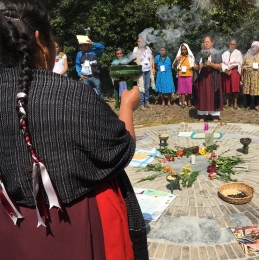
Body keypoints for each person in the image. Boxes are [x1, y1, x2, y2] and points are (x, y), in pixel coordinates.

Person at [0, 1, 148, 259]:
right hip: (74, 226)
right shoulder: (70, 96)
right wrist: (127, 106)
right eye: (53, 38)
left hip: (11, 231)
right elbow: (121, 150)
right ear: (40, 40)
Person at [194, 35, 223, 122]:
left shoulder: (216, 53)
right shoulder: (200, 53)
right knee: (203, 95)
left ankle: (214, 115)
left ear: (212, 43)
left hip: (213, 77)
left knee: (213, 94)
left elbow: (220, 66)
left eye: (208, 42)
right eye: (205, 42)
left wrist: (211, 64)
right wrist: (199, 66)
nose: (206, 44)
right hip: (203, 77)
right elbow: (194, 66)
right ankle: (203, 114)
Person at [241, 41, 259, 111]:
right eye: (253, 47)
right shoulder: (246, 56)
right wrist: (242, 76)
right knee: (247, 91)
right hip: (248, 76)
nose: (254, 49)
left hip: (258, 77)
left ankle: (256, 105)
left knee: (257, 91)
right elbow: (242, 66)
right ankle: (248, 105)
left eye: (255, 47)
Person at [133, 37, 154, 111]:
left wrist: (153, 68)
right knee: (141, 87)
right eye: (138, 41)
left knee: (147, 87)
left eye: (141, 42)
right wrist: (134, 60)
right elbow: (133, 58)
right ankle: (141, 103)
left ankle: (147, 102)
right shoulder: (136, 49)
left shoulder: (147, 49)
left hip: (148, 70)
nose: (139, 43)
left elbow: (151, 58)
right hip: (141, 71)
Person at [221, 39, 242, 110]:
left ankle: (235, 103)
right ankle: (227, 102)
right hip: (226, 72)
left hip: (234, 72)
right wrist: (226, 70)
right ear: (229, 44)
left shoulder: (238, 53)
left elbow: (237, 63)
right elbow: (222, 63)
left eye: (233, 44)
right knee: (227, 87)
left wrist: (229, 69)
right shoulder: (225, 53)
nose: (232, 46)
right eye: (231, 44)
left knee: (235, 88)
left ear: (236, 45)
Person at [173, 43, 195, 108]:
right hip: (181, 75)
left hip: (189, 74)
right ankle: (183, 103)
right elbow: (174, 66)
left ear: (187, 50)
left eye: (185, 49)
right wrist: (177, 60)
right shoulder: (179, 57)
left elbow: (193, 65)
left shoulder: (190, 56)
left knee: (189, 90)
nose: (183, 51)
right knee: (182, 90)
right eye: (182, 49)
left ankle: (189, 102)